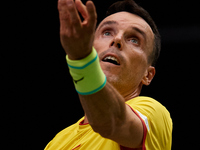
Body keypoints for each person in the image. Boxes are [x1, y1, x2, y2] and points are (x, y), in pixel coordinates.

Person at [45, 0, 172, 149]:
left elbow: (111, 122)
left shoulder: (154, 113)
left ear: (148, 75)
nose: (117, 39)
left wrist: (81, 59)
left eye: (134, 40)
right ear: (91, 46)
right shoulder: (57, 142)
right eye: (107, 32)